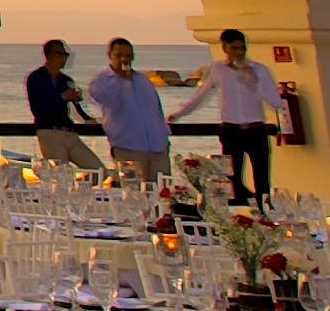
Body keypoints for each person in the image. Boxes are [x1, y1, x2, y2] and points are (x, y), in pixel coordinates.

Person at [173, 29, 282, 201]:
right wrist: (179, 114)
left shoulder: (259, 70)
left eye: (242, 48)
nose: (239, 53)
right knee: (232, 180)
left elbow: (275, 102)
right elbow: (202, 95)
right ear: (225, 48)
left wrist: (255, 84)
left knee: (262, 179)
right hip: (231, 131)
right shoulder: (217, 69)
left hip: (256, 130)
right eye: (234, 48)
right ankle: (239, 217)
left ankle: (265, 215)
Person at [84, 37, 173, 174]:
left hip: (157, 149)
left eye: (128, 56)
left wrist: (163, 135)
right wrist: (119, 79)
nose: (124, 59)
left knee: (161, 192)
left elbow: (155, 110)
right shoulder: (102, 81)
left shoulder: (142, 80)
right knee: (133, 191)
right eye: (119, 56)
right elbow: (100, 98)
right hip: (127, 148)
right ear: (110, 56)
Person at [23, 39, 96, 166]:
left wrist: (88, 118)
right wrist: (61, 97)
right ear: (49, 56)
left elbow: (77, 104)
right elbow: (38, 110)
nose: (64, 58)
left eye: (65, 55)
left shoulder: (66, 80)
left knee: (98, 170)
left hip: (69, 132)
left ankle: (81, 185)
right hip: (49, 133)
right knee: (61, 173)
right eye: (60, 54)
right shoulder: (36, 78)